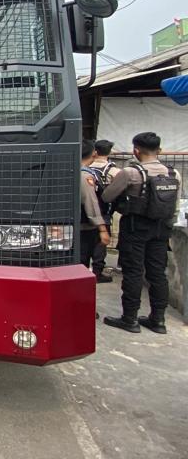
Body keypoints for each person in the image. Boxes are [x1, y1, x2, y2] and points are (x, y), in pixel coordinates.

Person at [101, 132, 181, 334]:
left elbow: (107, 195)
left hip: (136, 227)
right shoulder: (173, 174)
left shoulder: (131, 173)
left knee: (133, 272)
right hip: (162, 228)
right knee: (157, 273)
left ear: (136, 150)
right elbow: (175, 205)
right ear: (160, 150)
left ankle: (129, 319)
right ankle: (158, 320)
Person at [89, 139, 121, 280]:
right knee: (101, 244)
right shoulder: (115, 171)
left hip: (86, 211)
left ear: (94, 151)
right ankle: (97, 271)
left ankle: (82, 270)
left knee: (83, 241)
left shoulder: (86, 167)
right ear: (110, 152)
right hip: (105, 212)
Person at [79, 140, 110, 273]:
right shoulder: (85, 174)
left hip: (79, 224)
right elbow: (91, 202)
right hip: (86, 226)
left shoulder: (73, 170)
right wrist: (102, 228)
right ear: (94, 153)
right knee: (82, 261)